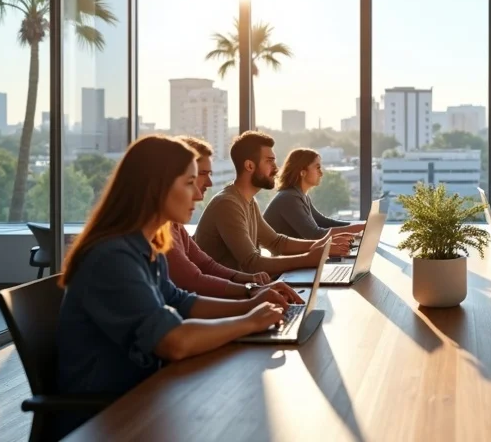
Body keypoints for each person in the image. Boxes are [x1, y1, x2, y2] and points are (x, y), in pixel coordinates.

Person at [57, 136, 303, 436]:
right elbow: (172, 341)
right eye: (189, 183)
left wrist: (251, 301)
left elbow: (182, 301)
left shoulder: (147, 245)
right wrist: (249, 321)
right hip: (111, 417)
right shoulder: (112, 257)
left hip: (147, 390)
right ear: (156, 188)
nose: (198, 195)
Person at [194, 131, 352, 277]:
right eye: (269, 162)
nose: (276, 169)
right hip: (225, 298)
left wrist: (322, 245)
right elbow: (252, 263)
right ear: (250, 166)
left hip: (244, 290)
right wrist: (309, 258)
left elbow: (276, 242)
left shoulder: (248, 201)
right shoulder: (227, 204)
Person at [167, 136, 296, 300]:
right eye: (195, 178)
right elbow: (193, 283)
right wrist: (250, 292)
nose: (208, 185)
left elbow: (208, 266)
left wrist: (250, 284)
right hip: (210, 303)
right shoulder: (227, 203)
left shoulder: (174, 226)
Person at [263, 148, 366, 240]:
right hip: (279, 259)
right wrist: (355, 229)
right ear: (302, 172)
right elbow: (314, 234)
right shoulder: (288, 199)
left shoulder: (301, 196)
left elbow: (323, 222)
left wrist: (358, 226)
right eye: (317, 168)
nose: (321, 173)